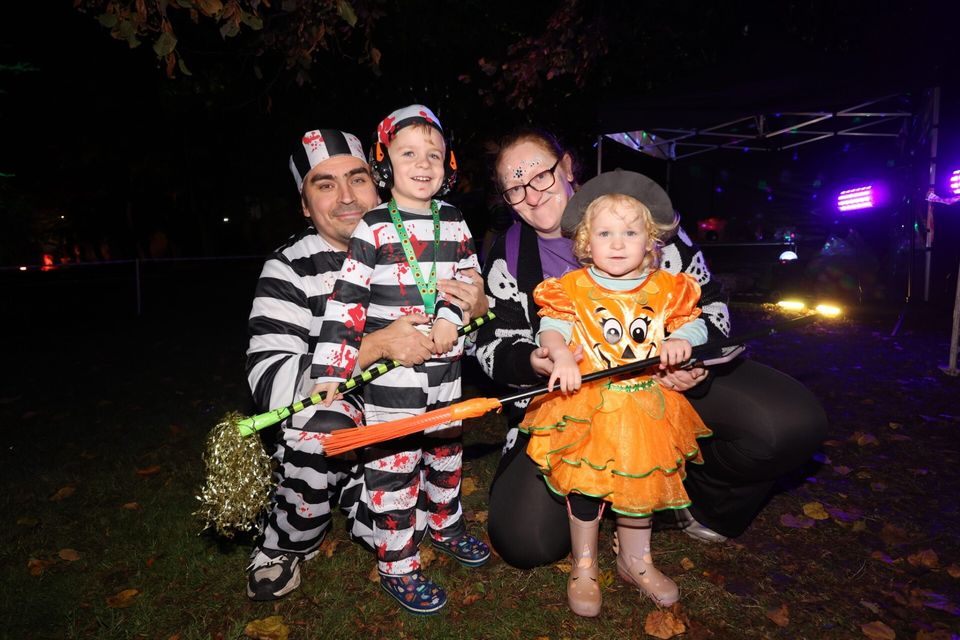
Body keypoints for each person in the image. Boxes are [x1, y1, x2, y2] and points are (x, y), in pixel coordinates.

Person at [475, 128, 828, 570]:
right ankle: (604, 497)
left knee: (789, 423)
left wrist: (696, 362)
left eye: (540, 176)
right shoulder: (505, 255)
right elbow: (489, 345)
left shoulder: (641, 218)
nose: (530, 194)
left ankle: (691, 500)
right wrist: (533, 360)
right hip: (567, 404)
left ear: (567, 167)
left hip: (661, 388)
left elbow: (711, 304)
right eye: (515, 187)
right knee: (525, 540)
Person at [245, 127, 487, 601]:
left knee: (399, 522)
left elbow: (465, 343)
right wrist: (376, 346)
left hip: (410, 407)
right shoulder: (287, 269)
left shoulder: (427, 234)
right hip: (340, 411)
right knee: (325, 425)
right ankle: (289, 539)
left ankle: (370, 502)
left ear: (378, 182)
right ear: (304, 204)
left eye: (357, 179)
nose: (346, 197)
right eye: (325, 184)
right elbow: (269, 380)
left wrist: (473, 309)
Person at [312, 105, 490, 615]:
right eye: (408, 153)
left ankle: (445, 523)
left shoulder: (454, 221)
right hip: (394, 381)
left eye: (433, 154)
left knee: (446, 453)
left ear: (448, 163)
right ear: (385, 163)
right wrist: (332, 371)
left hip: (447, 371)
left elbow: (471, 283)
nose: (423, 163)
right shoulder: (372, 227)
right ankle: (398, 564)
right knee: (394, 468)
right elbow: (345, 304)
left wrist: (453, 317)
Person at [522, 179, 712, 614]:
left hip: (647, 405)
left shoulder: (668, 287)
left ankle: (636, 559)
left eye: (630, 232)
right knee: (587, 487)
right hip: (590, 405)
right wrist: (559, 355)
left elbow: (695, 323)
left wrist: (683, 339)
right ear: (587, 242)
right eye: (605, 233)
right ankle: (584, 563)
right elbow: (552, 327)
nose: (618, 243)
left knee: (640, 486)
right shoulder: (571, 287)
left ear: (651, 241)